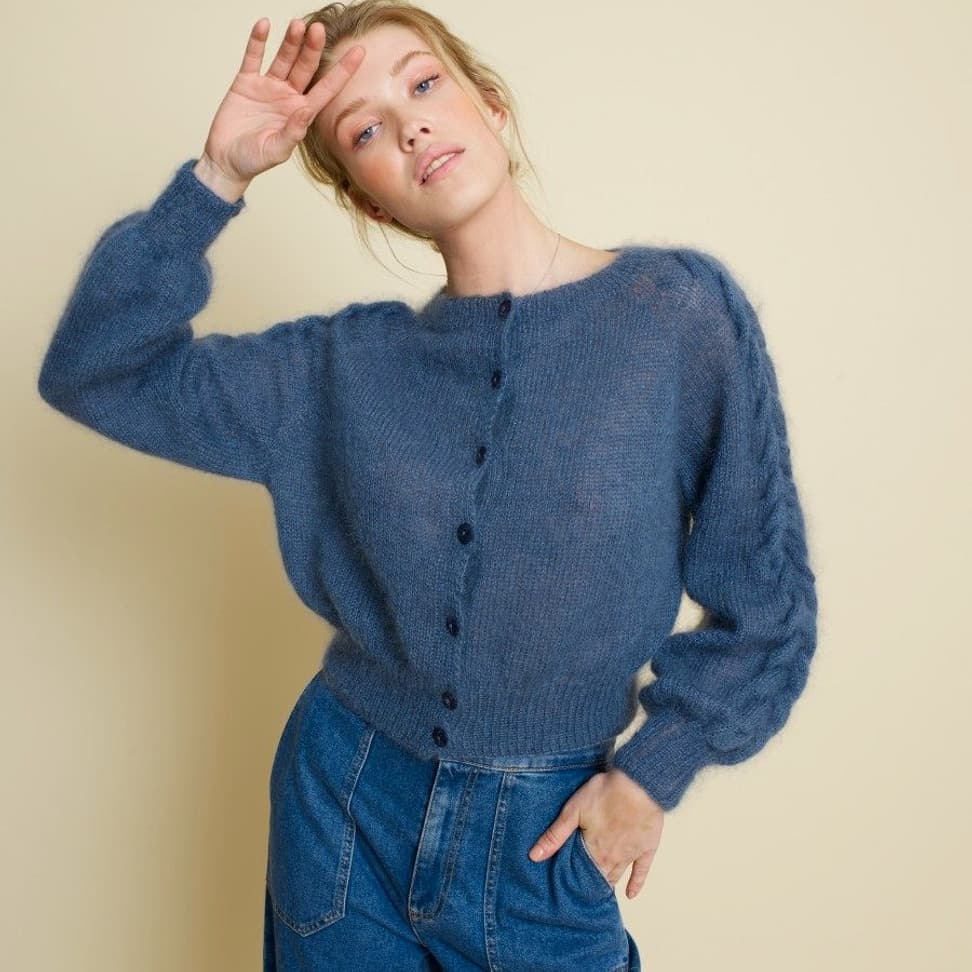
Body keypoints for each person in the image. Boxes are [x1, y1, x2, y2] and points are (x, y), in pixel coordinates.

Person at [36, 2, 819, 970]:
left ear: (489, 104)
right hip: (345, 805)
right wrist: (217, 179)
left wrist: (654, 773)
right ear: (370, 203)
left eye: (423, 83)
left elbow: (767, 600)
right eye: (363, 130)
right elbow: (96, 371)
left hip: (545, 833)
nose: (407, 124)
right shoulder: (337, 368)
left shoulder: (675, 313)